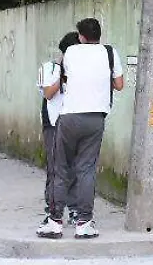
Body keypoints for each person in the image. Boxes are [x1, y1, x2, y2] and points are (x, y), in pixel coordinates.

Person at [40, 17, 123, 239]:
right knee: (86, 169)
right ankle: (84, 223)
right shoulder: (109, 52)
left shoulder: (71, 53)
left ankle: (55, 221)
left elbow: (62, 79)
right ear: (99, 35)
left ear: (80, 36)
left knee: (60, 167)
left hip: (69, 117)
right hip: (96, 117)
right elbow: (119, 85)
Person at [36, 31, 82, 239]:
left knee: (76, 167)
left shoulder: (83, 70)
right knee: (56, 168)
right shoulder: (49, 68)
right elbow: (48, 93)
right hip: (53, 123)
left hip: (75, 122)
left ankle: (74, 208)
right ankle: (52, 209)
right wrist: (63, 75)